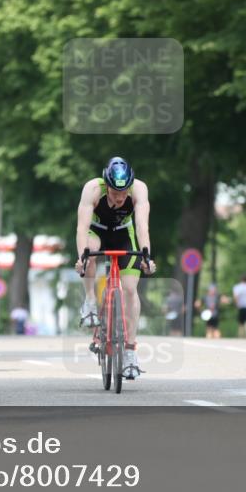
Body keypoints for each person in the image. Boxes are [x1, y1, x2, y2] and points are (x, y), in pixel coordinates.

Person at [74, 157, 155, 379]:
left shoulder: (139, 189)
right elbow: (82, 228)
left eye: (123, 193)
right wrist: (82, 257)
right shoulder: (92, 189)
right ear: (106, 185)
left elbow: (142, 226)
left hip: (123, 234)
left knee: (130, 289)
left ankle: (129, 351)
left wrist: (147, 256)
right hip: (96, 231)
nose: (119, 198)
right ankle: (90, 300)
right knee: (90, 252)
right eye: (114, 193)